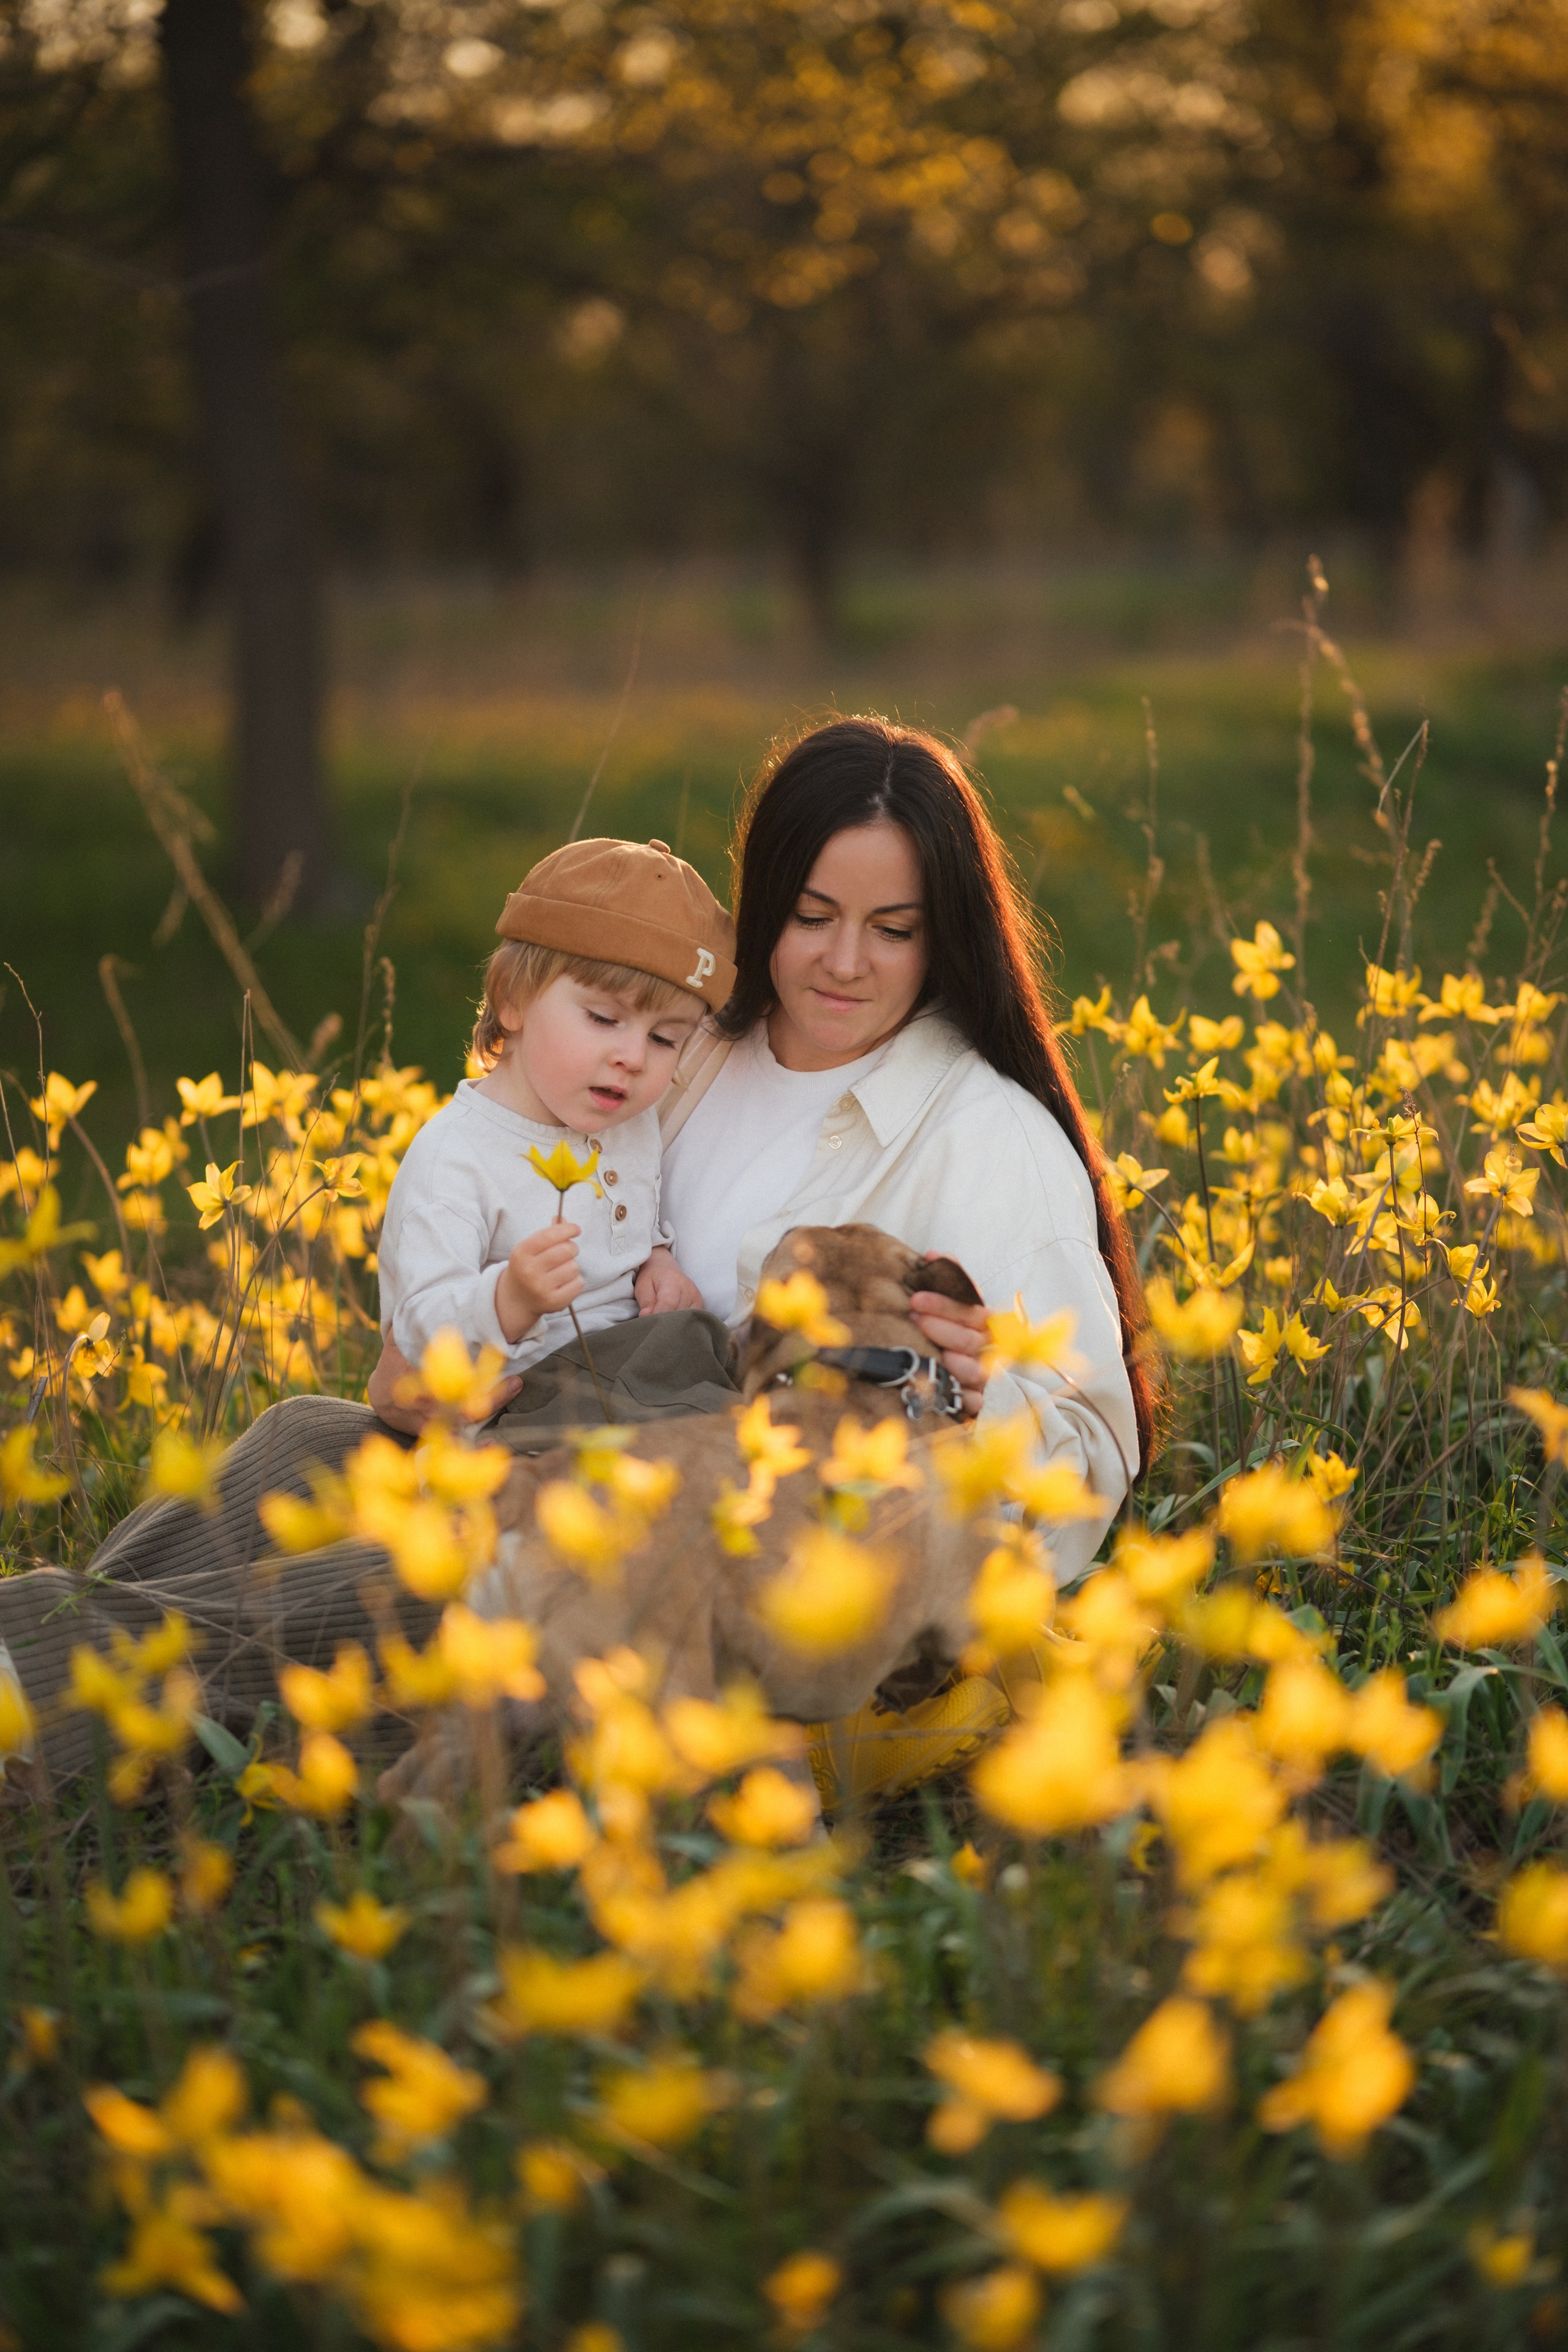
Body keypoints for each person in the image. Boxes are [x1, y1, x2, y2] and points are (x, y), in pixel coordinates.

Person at [374, 714, 1153, 1575]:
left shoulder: (994, 1141)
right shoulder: (677, 1046)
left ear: (946, 937)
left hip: (708, 1568)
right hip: (529, 1462)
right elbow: (486, 1223)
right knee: (298, 1444)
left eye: (894, 931)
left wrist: (984, 1397)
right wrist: (419, 1372)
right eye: (812, 916)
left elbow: (1090, 1456)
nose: (845, 962)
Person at [379, 836, 720, 1385]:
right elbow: (417, 1330)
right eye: (604, 1019)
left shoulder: (627, 1122)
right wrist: (509, 1298)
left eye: (664, 1038)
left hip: (622, 1377)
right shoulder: (457, 1156)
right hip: (520, 1402)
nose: (632, 1057)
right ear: (513, 999)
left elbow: (625, 1230)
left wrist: (656, 1263)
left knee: (708, 1348)